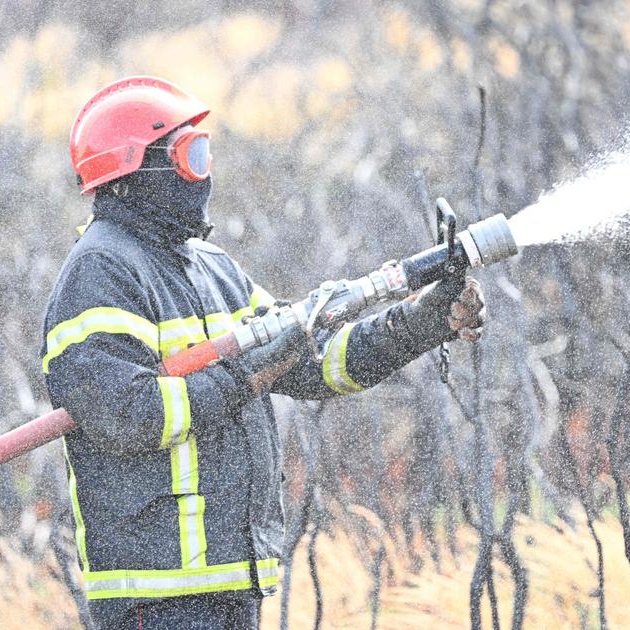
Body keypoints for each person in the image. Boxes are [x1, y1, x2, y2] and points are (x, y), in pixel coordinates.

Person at [42, 76, 485, 630]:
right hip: (157, 597)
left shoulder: (212, 269)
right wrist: (246, 374)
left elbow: (315, 362)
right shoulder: (100, 272)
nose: (202, 174)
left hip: (231, 583)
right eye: (190, 155)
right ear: (137, 172)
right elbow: (124, 415)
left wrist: (420, 323)